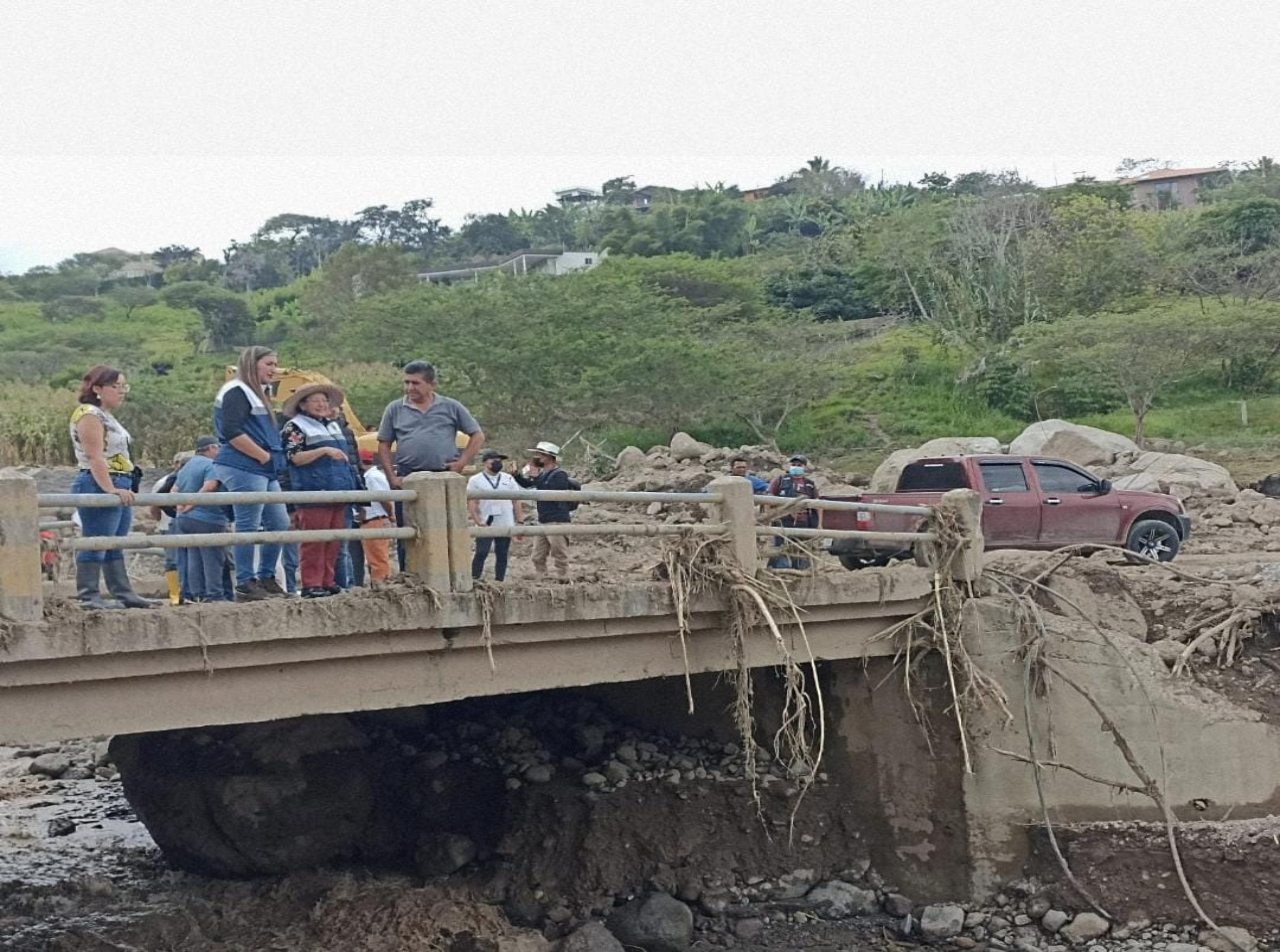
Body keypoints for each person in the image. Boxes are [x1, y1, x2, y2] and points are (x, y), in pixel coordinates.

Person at [377, 360, 484, 566]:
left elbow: (477, 435)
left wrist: (461, 463)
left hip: (443, 475)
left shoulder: (451, 406)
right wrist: (391, 477)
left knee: (447, 529)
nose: (410, 388)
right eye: (407, 382)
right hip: (408, 476)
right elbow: (384, 443)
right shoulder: (395, 409)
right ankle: (409, 574)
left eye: (415, 383)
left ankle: (449, 571)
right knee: (409, 531)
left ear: (431, 385)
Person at [69, 365, 154, 610]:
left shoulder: (106, 416)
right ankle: (89, 595)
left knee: (115, 541)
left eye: (124, 386)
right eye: (116, 386)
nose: (122, 391)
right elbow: (94, 456)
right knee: (97, 540)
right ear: (97, 388)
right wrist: (109, 488)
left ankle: (123, 592)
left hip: (120, 480)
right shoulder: (89, 414)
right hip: (99, 481)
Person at [214, 346, 289, 602]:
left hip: (262, 465)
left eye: (274, 364)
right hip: (245, 464)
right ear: (251, 364)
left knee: (279, 522)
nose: (273, 369)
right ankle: (245, 581)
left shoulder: (258, 393)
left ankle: (266, 576)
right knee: (248, 522)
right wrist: (263, 456)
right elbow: (231, 431)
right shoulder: (237, 391)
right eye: (269, 364)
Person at [281, 383, 359, 598]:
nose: (321, 405)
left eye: (324, 401)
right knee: (314, 541)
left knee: (334, 541)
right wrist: (323, 451)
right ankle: (311, 583)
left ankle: (327, 580)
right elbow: (294, 457)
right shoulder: (295, 427)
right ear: (302, 405)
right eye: (315, 401)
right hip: (313, 490)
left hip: (339, 489)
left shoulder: (333, 425)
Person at [173, 435, 232, 602]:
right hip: (208, 518)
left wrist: (180, 506)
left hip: (185, 519)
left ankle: (197, 594)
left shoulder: (187, 466)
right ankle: (214, 594)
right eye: (218, 448)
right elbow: (210, 485)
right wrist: (193, 503)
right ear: (212, 448)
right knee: (212, 558)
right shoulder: (211, 464)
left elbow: (174, 489)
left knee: (194, 556)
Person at [513, 440, 575, 578]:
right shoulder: (542, 474)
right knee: (537, 555)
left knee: (559, 553)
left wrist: (536, 478)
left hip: (557, 520)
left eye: (539, 455)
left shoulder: (559, 474)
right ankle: (542, 577)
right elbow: (529, 485)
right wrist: (516, 475)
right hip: (543, 520)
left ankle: (563, 578)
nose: (536, 457)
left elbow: (554, 493)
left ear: (548, 457)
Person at [467, 449, 524, 582]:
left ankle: (500, 581)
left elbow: (516, 500)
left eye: (500, 460)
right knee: (481, 552)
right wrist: (478, 521)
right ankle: (474, 579)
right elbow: (472, 502)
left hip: (505, 522)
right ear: (485, 462)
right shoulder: (475, 480)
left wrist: (520, 520)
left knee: (502, 553)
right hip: (486, 522)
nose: (498, 462)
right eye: (494, 460)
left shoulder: (508, 478)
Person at [766, 455, 819, 570]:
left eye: (799, 465)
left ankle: (801, 572)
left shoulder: (809, 484)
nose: (796, 467)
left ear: (805, 467)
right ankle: (780, 571)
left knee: (802, 549)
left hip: (803, 523)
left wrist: (819, 523)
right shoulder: (780, 480)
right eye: (793, 465)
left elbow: (818, 504)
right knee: (781, 548)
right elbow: (769, 498)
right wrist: (769, 516)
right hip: (782, 522)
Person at [148, 454, 187, 605]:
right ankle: (175, 594)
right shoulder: (165, 481)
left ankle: (178, 594)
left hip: (170, 523)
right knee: (173, 561)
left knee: (176, 560)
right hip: (169, 524)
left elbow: (154, 506)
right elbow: (154, 504)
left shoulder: (167, 480)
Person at [357, 449, 394, 582]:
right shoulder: (374, 476)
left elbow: (383, 499)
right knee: (376, 558)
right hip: (374, 519)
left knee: (377, 559)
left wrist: (390, 514)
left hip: (374, 520)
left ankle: (382, 584)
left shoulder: (372, 477)